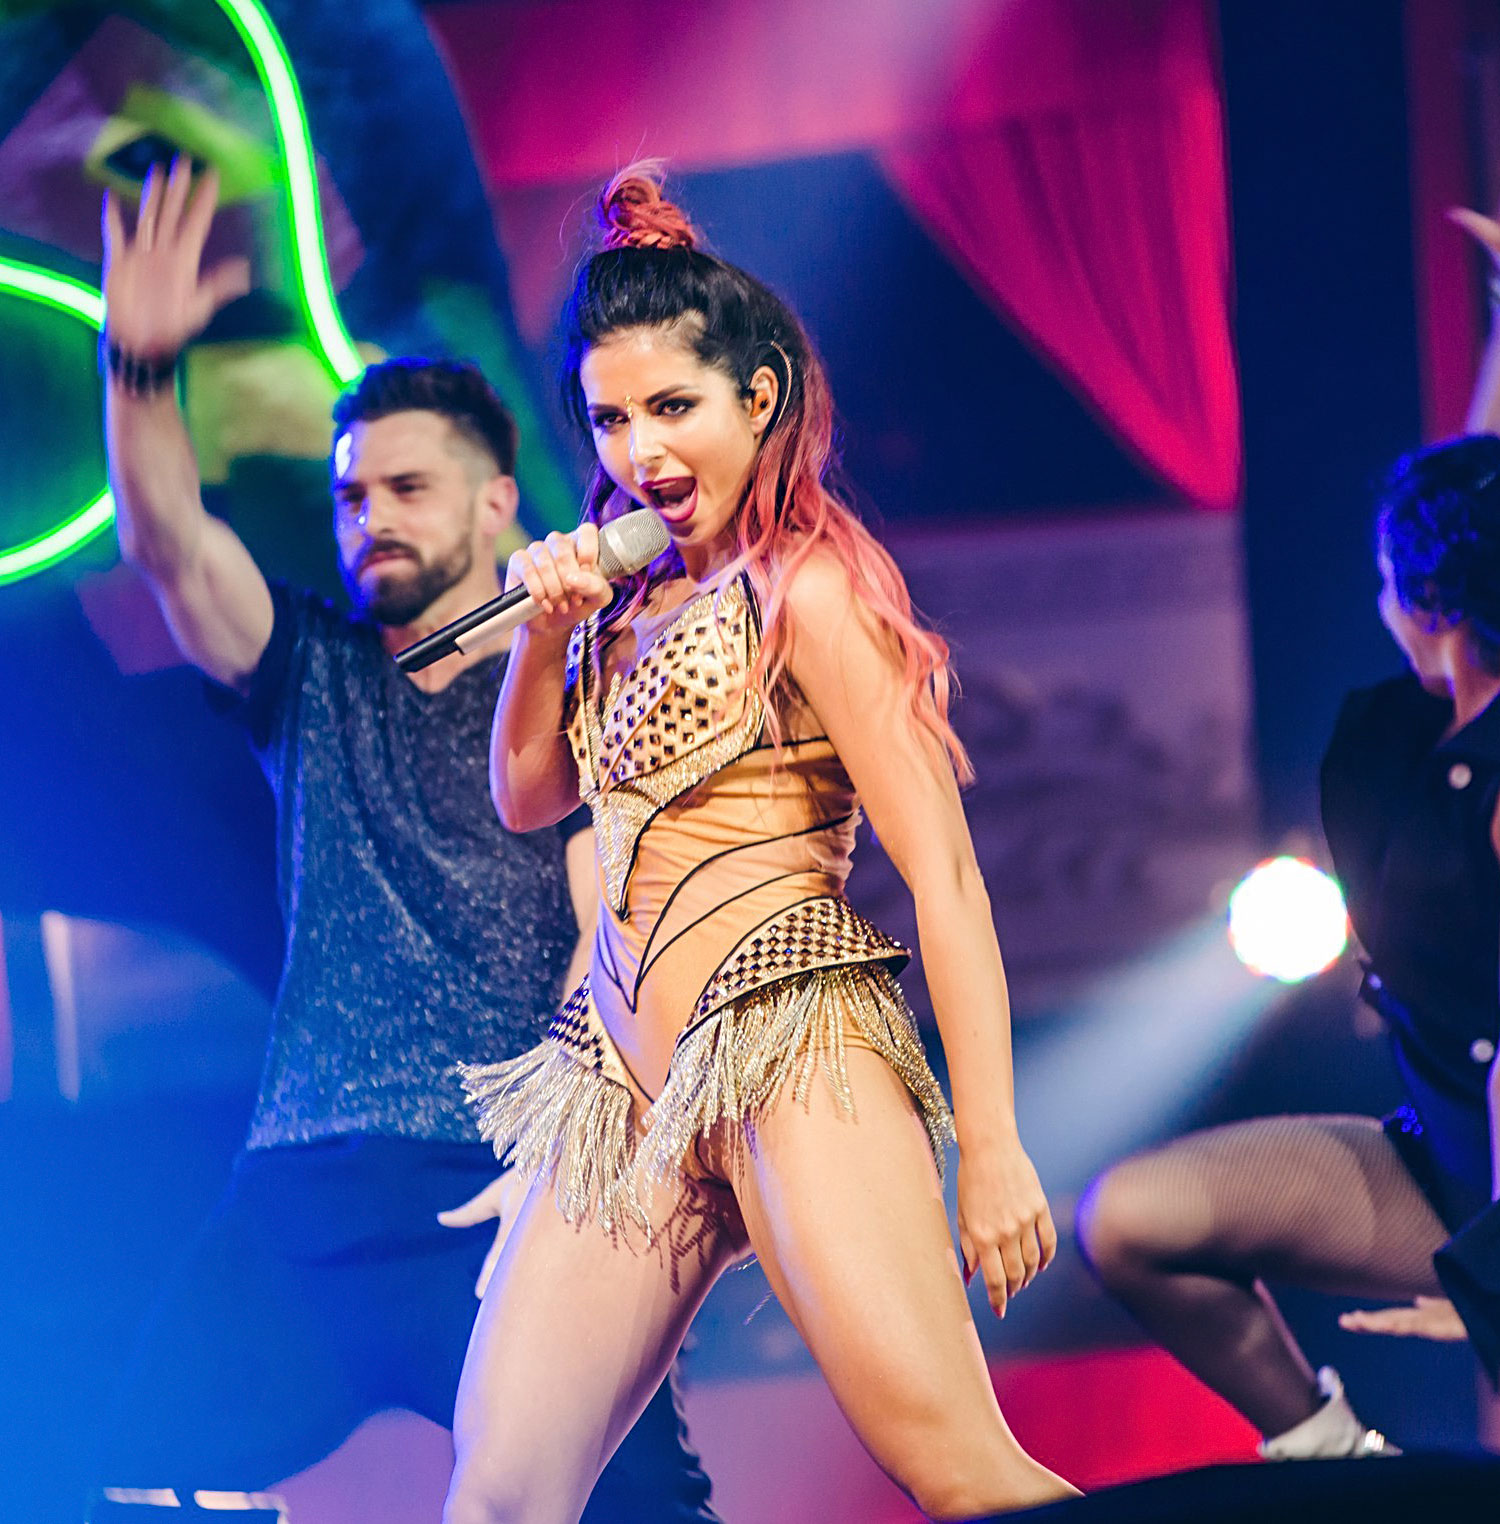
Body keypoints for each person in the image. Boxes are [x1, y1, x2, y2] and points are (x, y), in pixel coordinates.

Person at [440, 165, 1077, 1524]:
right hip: (619, 1082)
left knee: (961, 1473)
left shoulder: (811, 588)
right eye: (611, 418)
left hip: (787, 1038)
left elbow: (947, 875)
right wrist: (544, 631)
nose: (641, 451)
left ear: (760, 398)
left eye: (673, 407)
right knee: (495, 1496)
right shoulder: (618, 605)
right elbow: (528, 798)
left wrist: (995, 1142)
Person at [90, 158, 717, 1521]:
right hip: (303, 1189)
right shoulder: (308, 668)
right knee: (111, 1481)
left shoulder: (581, 682)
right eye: (352, 495)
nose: (371, 517)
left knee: (640, 1508)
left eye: (408, 488)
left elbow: (621, 924)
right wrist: (138, 368)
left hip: (502, 1188)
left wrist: (565, 1150)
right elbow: (168, 542)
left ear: (496, 503)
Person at [1075, 431, 1500, 1459]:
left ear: (1430, 601)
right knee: (1132, 1219)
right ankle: (1341, 1463)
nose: (1380, 607)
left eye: (1389, 583)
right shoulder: (1400, 739)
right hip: (1447, 1167)